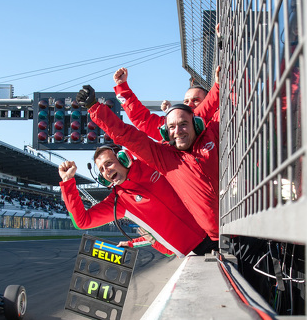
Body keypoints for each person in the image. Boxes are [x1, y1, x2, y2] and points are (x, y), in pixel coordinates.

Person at [77, 85, 220, 244]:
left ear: (197, 123)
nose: (178, 130)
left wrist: (222, 85)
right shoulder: (164, 159)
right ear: (166, 133)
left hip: (240, 222)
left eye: (183, 124)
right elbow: (127, 134)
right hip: (210, 241)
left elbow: (234, 102)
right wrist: (95, 108)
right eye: (171, 127)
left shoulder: (213, 131)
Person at [58, 145, 216, 257]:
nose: (106, 171)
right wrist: (67, 183)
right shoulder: (118, 201)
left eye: (108, 163)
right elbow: (82, 222)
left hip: (215, 227)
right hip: (196, 251)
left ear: (123, 158)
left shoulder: (149, 162)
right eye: (101, 169)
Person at [112, 66, 220, 141]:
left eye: (195, 100)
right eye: (186, 101)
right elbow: (142, 119)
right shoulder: (170, 129)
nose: (189, 104)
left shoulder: (216, 121)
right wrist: (122, 87)